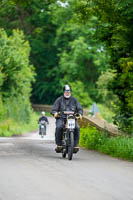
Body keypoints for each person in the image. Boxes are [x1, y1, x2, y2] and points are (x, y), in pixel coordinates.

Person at [51, 84, 83, 151]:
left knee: (77, 128)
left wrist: (80, 114)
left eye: (69, 91)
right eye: (66, 91)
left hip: (72, 118)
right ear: (64, 92)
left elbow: (79, 108)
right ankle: (59, 145)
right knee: (59, 127)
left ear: (70, 92)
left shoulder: (74, 100)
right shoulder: (59, 100)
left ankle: (75, 146)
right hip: (61, 118)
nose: (68, 93)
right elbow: (54, 109)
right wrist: (55, 113)